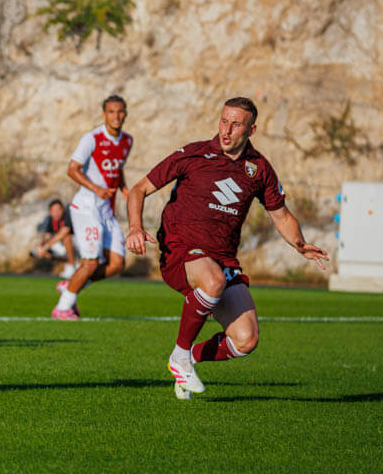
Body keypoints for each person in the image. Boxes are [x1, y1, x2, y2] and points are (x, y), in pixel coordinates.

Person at [126, 97, 328, 400]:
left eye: (235, 124)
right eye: (224, 121)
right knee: (213, 280)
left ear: (251, 130)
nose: (226, 130)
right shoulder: (194, 154)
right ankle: (180, 356)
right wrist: (135, 227)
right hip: (181, 248)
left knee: (246, 340)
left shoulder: (258, 168)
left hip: (223, 258)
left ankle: (189, 360)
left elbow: (281, 215)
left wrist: (300, 245)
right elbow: (138, 189)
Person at [51, 95, 132, 320]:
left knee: (117, 264)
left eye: (120, 111)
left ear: (125, 113)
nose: (116, 116)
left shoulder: (127, 141)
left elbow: (118, 169)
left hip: (106, 209)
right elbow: (72, 169)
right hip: (87, 207)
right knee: (91, 262)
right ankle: (62, 308)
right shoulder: (92, 138)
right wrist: (96, 188)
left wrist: (124, 189)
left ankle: (72, 285)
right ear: (104, 114)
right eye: (111, 112)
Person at [32, 198, 77, 278]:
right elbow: (47, 237)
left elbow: (65, 231)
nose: (56, 213)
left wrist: (45, 247)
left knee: (67, 238)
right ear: (50, 211)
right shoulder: (49, 220)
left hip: (78, 243)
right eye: (53, 211)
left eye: (58, 210)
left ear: (63, 209)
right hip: (66, 247)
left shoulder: (68, 214)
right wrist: (42, 247)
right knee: (49, 253)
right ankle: (72, 265)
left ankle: (71, 265)